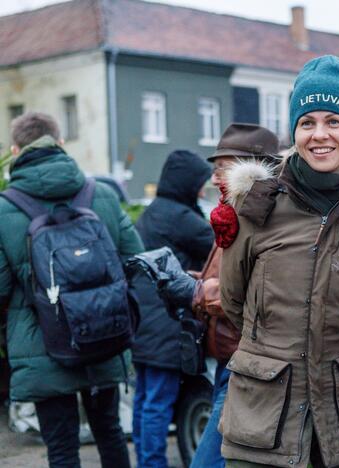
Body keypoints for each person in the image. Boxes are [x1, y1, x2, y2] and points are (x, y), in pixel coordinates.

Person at [217, 55, 339, 467]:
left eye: (334, 121)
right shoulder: (259, 202)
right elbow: (233, 300)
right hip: (264, 419)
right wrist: (276, 352)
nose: (319, 135)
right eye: (307, 122)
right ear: (294, 130)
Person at [0, 112, 143, 468]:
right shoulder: (102, 194)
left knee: (61, 449)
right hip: (103, 337)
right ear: (60, 143)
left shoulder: (4, 209)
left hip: (42, 346)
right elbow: (136, 258)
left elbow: (1, 290)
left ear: (16, 150)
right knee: (110, 433)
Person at [157, 123, 281, 468]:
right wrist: (188, 279)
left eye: (223, 169)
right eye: (214, 170)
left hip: (248, 364)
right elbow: (229, 276)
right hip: (229, 360)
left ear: (253, 169)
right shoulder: (233, 213)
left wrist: (196, 291)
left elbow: (262, 292)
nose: (214, 179)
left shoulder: (263, 217)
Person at [131, 150, 213, 468]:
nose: (202, 190)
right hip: (165, 323)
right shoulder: (183, 218)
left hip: (143, 321)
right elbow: (221, 250)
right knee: (158, 402)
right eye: (199, 184)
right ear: (186, 184)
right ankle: (152, 464)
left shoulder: (152, 211)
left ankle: (144, 461)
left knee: (145, 399)